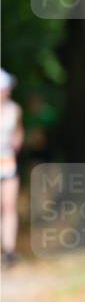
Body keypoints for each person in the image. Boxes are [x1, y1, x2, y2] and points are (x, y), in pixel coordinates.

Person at [0, 68, 23, 267]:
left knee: (9, 206)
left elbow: (18, 133)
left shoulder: (14, 109)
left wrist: (17, 141)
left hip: (7, 163)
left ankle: (9, 250)